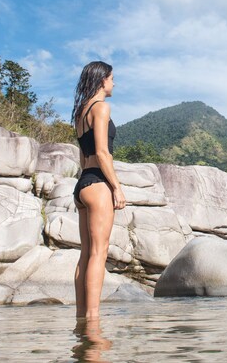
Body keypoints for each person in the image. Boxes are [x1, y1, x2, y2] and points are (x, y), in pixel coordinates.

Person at [71, 60, 126, 320]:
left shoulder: (80, 112)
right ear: (102, 80)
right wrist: (116, 187)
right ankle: (93, 321)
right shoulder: (101, 108)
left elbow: (84, 158)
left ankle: (82, 318)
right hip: (98, 184)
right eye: (112, 78)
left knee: (86, 254)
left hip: (83, 184)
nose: (114, 83)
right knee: (98, 252)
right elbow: (103, 153)